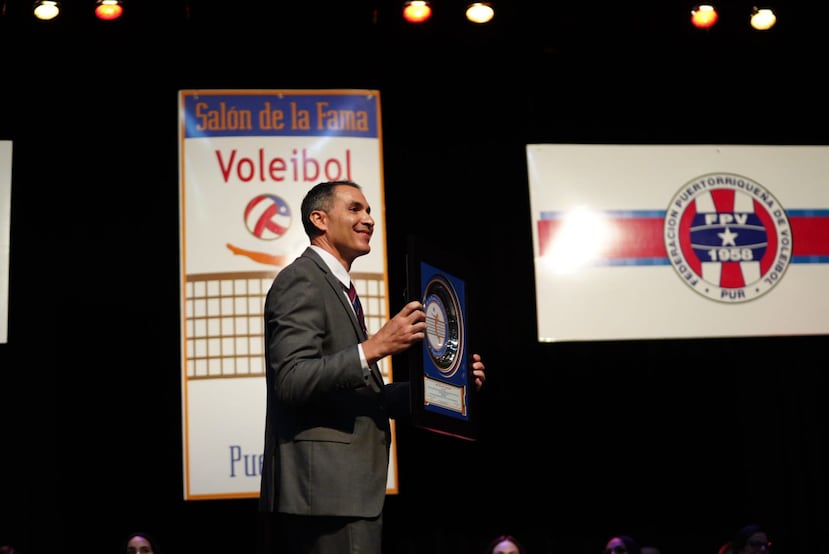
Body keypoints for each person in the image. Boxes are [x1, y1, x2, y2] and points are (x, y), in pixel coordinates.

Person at [258, 180, 487, 554]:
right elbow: (291, 380)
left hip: (348, 492)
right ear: (319, 219)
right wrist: (375, 347)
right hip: (326, 495)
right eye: (354, 209)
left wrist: (451, 387)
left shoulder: (338, 286)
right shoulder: (302, 280)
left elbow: (367, 395)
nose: (368, 219)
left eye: (369, 211)